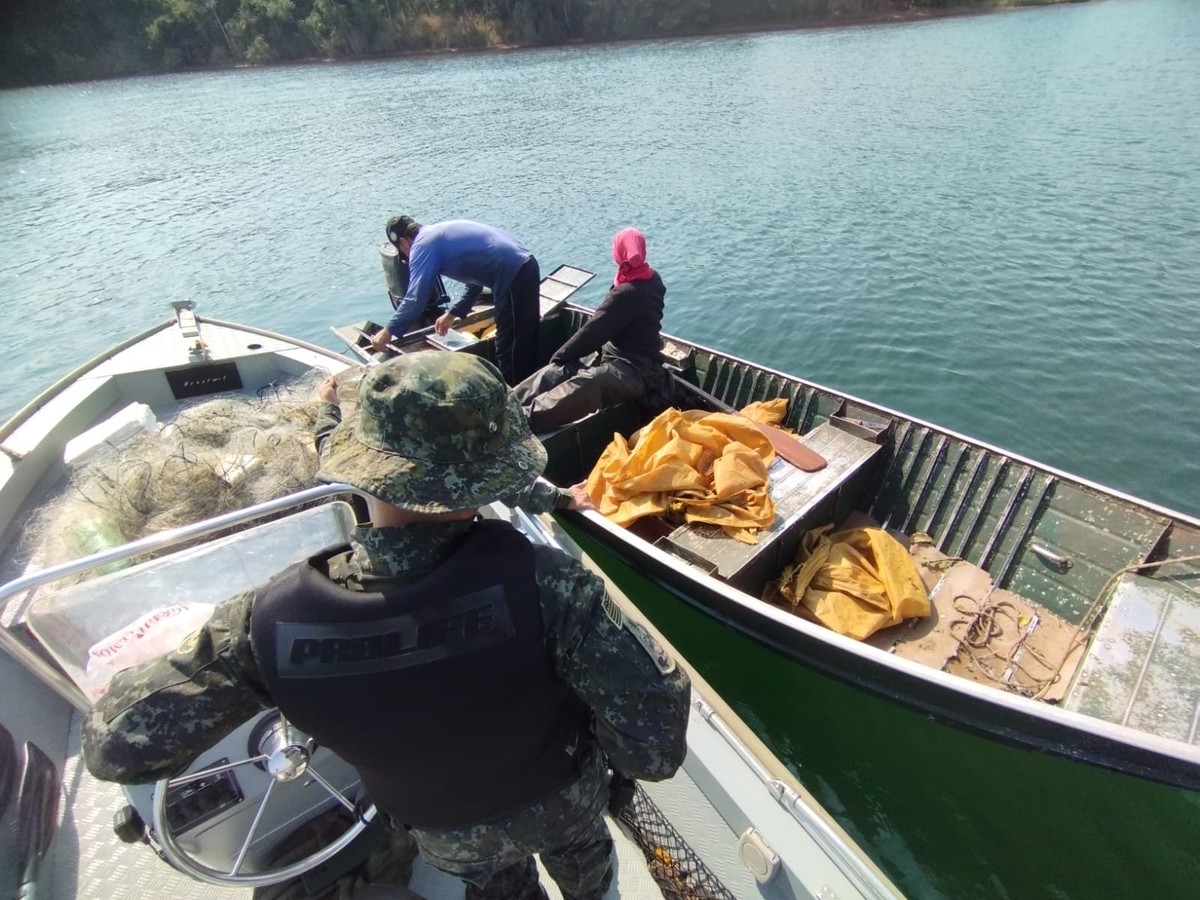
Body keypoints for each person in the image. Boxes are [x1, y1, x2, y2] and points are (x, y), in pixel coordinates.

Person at [82, 352, 691, 900]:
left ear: (360, 466)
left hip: (447, 837)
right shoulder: (551, 584)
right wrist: (611, 767)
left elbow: (114, 744)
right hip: (566, 805)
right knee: (591, 879)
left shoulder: (266, 621)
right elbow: (654, 734)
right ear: (492, 474)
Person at [514, 227, 671, 433]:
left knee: (588, 383)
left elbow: (595, 331)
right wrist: (564, 359)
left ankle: (523, 419)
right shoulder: (650, 278)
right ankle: (509, 401)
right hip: (614, 354)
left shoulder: (627, 291)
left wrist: (560, 355)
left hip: (638, 369)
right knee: (561, 370)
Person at [371, 216, 542, 386]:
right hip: (526, 265)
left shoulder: (421, 246)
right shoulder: (437, 233)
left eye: (404, 255)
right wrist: (453, 313)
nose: (408, 259)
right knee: (525, 338)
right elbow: (475, 284)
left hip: (511, 274)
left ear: (403, 242)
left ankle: (514, 399)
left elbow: (416, 299)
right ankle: (531, 389)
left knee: (509, 346)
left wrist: (388, 331)